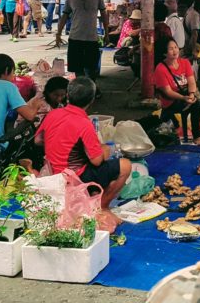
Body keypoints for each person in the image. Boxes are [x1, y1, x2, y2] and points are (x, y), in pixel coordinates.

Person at [36, 77, 130, 226]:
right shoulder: (84, 123)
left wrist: (59, 142)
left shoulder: (52, 114)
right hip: (73, 177)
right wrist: (106, 149)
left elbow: (38, 140)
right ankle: (103, 207)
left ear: (68, 95)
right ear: (91, 100)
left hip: (52, 172)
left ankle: (92, 198)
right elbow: (96, 160)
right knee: (125, 165)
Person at [155, 37, 200, 143]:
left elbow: (192, 81)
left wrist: (191, 94)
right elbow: (168, 92)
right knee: (196, 105)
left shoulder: (184, 62)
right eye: (171, 49)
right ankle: (197, 137)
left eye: (175, 47)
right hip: (172, 101)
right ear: (164, 53)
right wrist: (184, 98)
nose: (175, 51)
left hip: (187, 96)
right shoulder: (160, 69)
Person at [56, 0, 109, 80]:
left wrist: (107, 33)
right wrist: (58, 33)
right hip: (75, 37)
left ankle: (92, 89)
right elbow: (64, 16)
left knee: (92, 68)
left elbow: (104, 15)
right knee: (78, 69)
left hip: (92, 38)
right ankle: (82, 89)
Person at [0, 54, 43, 147]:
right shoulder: (7, 86)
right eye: (13, 72)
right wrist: (36, 103)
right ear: (7, 70)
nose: (13, 76)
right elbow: (29, 116)